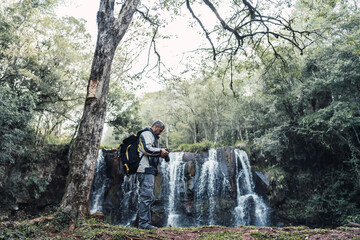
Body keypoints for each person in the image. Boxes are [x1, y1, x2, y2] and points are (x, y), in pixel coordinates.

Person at [137, 120, 169, 230]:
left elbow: (151, 152)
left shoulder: (152, 136)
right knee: (146, 196)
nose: (160, 133)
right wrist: (160, 151)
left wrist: (161, 153)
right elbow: (146, 149)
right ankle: (143, 224)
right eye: (159, 130)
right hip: (144, 169)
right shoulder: (147, 134)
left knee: (148, 196)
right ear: (155, 126)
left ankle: (145, 223)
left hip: (149, 169)